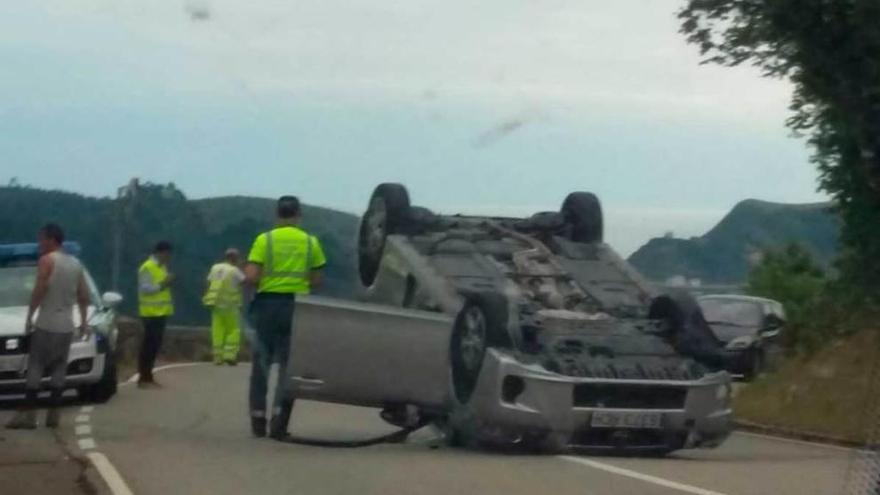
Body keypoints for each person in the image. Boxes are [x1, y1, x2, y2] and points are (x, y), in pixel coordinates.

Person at [245, 196, 326, 439]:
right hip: (296, 306)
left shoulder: (264, 239)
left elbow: (251, 275)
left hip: (268, 304)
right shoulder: (311, 242)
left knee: (262, 365)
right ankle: (279, 422)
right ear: (298, 215)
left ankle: (258, 419)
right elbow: (317, 279)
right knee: (288, 366)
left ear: (277, 215)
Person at [7, 223, 90, 430]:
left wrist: (30, 314)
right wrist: (84, 321)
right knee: (60, 367)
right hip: (66, 324)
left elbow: (40, 287)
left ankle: (28, 414)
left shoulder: (47, 261)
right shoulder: (75, 264)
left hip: (47, 321)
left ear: (51, 240)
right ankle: (54, 414)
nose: (40, 244)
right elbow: (84, 295)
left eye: (42, 239)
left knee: (35, 365)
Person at [137, 241, 174, 389]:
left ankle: (149, 376)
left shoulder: (162, 267)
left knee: (155, 346)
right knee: (148, 346)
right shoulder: (147, 267)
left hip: (161, 313)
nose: (169, 257)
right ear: (161, 252)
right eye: (167, 254)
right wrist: (164, 284)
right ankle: (143, 377)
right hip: (149, 314)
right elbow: (146, 289)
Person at [203, 248, 245, 366]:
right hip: (230, 304)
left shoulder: (215, 268)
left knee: (218, 330)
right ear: (234, 258)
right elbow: (244, 282)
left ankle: (217, 357)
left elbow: (208, 283)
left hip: (215, 304)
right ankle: (230, 355)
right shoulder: (234, 270)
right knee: (234, 330)